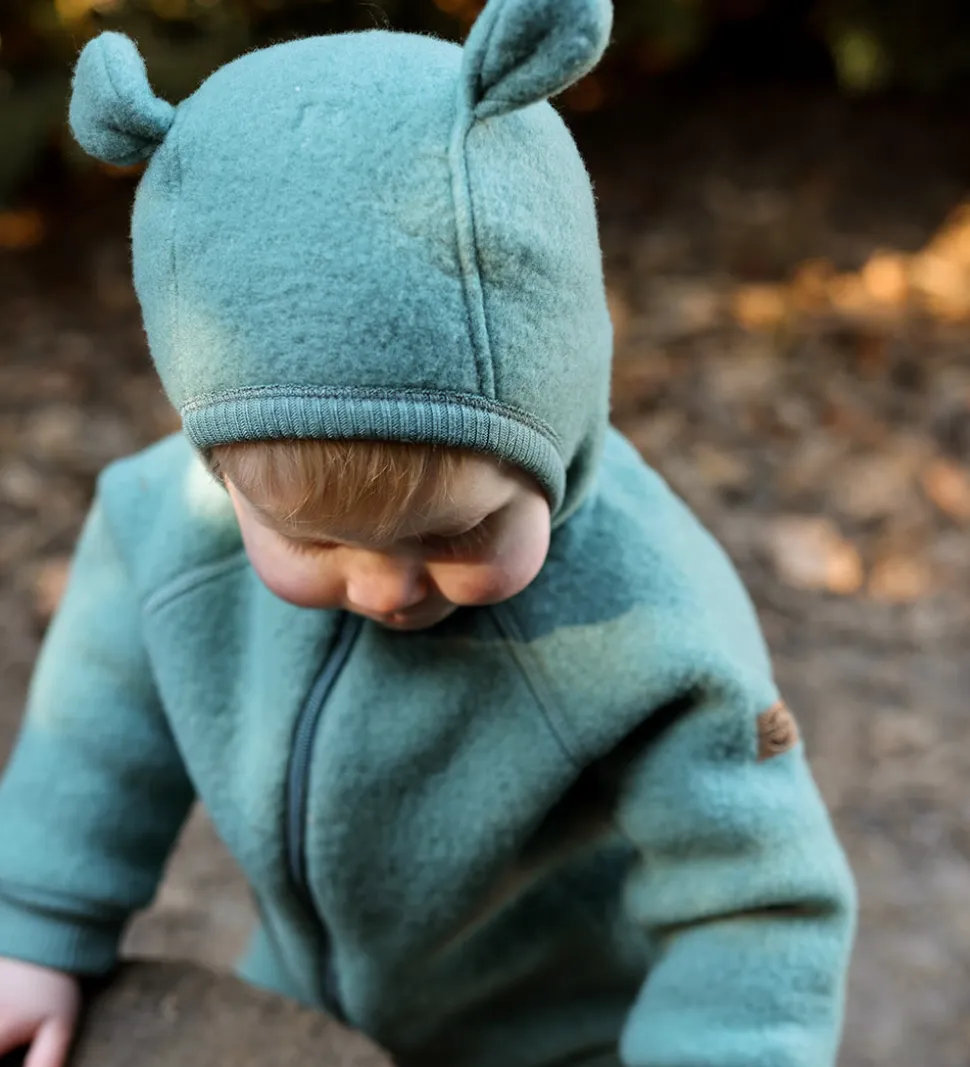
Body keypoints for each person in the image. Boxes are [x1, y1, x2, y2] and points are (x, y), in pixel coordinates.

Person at [0, 1, 856, 1065]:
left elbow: (756, 900)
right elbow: (95, 726)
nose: (386, 588)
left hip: (567, 1041)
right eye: (313, 541)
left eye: (459, 531)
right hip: (310, 1019)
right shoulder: (169, 531)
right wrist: (31, 923)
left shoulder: (651, 619)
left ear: (557, 417)